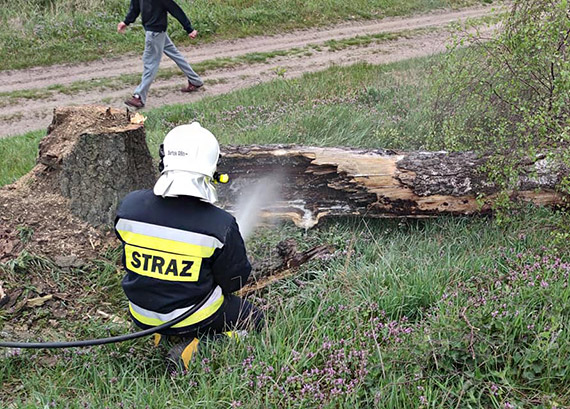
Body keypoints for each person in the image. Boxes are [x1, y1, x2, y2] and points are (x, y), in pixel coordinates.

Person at [114, 122, 263, 368]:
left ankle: (162, 333)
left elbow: (128, 256)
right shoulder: (220, 224)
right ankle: (195, 349)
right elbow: (234, 282)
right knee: (254, 319)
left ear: (164, 161)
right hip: (192, 316)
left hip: (140, 312)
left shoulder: (129, 208)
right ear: (212, 169)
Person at [117, 0, 204, 109]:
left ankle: (139, 97)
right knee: (175, 55)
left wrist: (189, 29)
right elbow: (135, 8)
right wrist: (126, 22)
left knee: (150, 64)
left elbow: (175, 10)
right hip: (157, 32)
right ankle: (195, 80)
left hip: (155, 33)